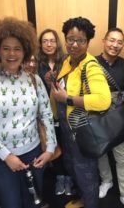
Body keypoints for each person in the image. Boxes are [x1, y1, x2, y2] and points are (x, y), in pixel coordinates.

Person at [0, 17, 57, 208]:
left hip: (33, 154)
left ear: (25, 51)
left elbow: (47, 115)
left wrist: (50, 148)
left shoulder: (34, 80)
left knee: (33, 203)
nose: (12, 53)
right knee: (11, 203)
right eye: (6, 48)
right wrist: (6, 155)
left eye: (17, 48)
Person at [51, 17, 111, 208]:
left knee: (85, 170)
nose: (74, 44)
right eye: (70, 39)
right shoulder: (68, 62)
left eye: (81, 40)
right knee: (73, 166)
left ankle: (91, 203)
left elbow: (103, 100)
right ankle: (84, 198)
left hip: (82, 131)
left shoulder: (90, 66)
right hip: (67, 129)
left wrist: (67, 99)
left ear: (88, 42)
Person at [95, 27, 124, 208]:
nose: (115, 45)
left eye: (119, 42)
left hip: (119, 118)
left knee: (122, 157)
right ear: (104, 40)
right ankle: (107, 181)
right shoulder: (92, 63)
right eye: (111, 40)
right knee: (101, 153)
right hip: (97, 117)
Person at [36, 29, 74, 196]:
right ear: (41, 44)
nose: (49, 44)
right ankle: (60, 177)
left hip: (65, 112)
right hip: (46, 114)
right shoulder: (36, 64)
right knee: (54, 145)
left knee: (68, 145)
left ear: (57, 43)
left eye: (52, 40)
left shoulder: (67, 61)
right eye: (45, 41)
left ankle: (69, 177)